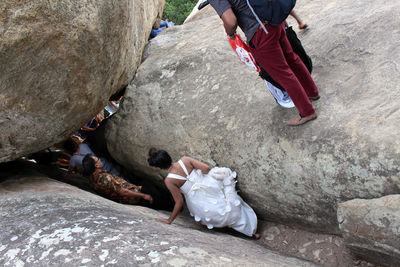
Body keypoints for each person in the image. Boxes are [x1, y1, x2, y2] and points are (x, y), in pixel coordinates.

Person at [208, 0, 320, 125]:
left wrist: (230, 34)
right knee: (292, 59)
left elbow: (230, 21)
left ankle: (307, 112)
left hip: (260, 33)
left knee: (283, 74)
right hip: (275, 22)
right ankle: (312, 93)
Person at [148, 148, 260, 238]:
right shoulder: (185, 160)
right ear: (168, 156)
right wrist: (199, 177)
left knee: (220, 212)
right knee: (229, 199)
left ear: (159, 167)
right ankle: (251, 228)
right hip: (209, 185)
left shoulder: (170, 180)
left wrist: (170, 220)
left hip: (197, 200)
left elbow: (179, 202)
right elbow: (206, 168)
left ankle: (247, 231)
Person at [82, 155, 174, 211]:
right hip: (135, 193)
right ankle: (175, 207)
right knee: (156, 200)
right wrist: (143, 195)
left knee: (155, 203)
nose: (100, 160)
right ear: (96, 165)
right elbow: (123, 191)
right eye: (97, 159)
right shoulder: (106, 178)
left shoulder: (92, 181)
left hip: (126, 200)